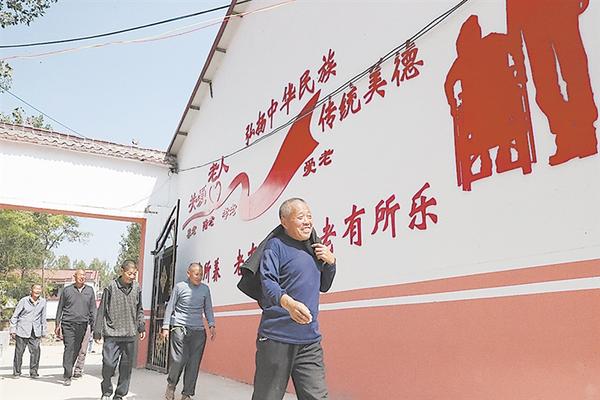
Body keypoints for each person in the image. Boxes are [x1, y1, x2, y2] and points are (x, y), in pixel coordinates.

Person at [251, 198, 337, 400]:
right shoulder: (275, 246)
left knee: (317, 396)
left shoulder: (314, 248)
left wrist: (331, 263)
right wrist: (289, 303)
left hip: (309, 340)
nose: (307, 221)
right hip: (276, 338)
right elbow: (268, 283)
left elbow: (324, 286)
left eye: (309, 216)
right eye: (300, 217)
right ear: (284, 221)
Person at [161, 263, 216, 400]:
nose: (199, 277)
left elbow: (208, 308)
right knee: (178, 360)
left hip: (198, 330)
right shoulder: (179, 287)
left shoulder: (205, 289)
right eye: (196, 274)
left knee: (193, 363)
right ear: (188, 273)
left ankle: (187, 394)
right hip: (179, 327)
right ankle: (171, 385)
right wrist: (166, 326)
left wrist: (211, 325)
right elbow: (170, 306)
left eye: (201, 274)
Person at [94, 260, 145, 400]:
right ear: (122, 271)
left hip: (130, 333)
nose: (132, 276)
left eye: (134, 274)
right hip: (112, 333)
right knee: (109, 364)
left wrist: (141, 326)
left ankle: (120, 394)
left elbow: (139, 309)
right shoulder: (111, 287)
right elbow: (102, 309)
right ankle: (106, 391)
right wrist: (97, 330)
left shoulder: (137, 288)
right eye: (129, 273)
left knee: (126, 367)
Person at [55, 268, 97, 386]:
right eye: (80, 275)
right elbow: (60, 307)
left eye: (84, 275)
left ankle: (69, 367)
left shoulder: (89, 290)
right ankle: (67, 374)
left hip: (82, 323)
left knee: (77, 348)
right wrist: (57, 324)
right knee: (69, 348)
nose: (82, 277)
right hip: (68, 323)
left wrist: (94, 325)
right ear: (75, 276)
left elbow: (93, 308)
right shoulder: (67, 290)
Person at [9, 283, 47, 379]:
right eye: (36, 289)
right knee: (19, 352)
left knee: (36, 352)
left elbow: (43, 317)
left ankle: (33, 372)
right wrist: (13, 330)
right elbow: (15, 316)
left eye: (39, 289)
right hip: (22, 330)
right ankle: (17, 372)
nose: (37, 291)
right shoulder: (24, 301)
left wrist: (43, 331)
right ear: (31, 291)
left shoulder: (43, 302)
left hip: (35, 331)